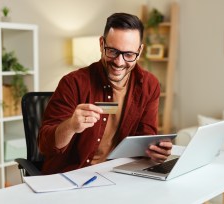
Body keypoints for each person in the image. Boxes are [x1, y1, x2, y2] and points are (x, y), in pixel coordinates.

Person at [38, 12, 173, 175]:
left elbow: (145, 138)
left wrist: (155, 152)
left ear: (140, 50)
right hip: (72, 174)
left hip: (118, 173)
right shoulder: (73, 83)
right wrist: (71, 126)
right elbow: (44, 145)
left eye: (129, 54)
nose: (119, 62)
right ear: (102, 44)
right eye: (113, 51)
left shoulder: (149, 85)